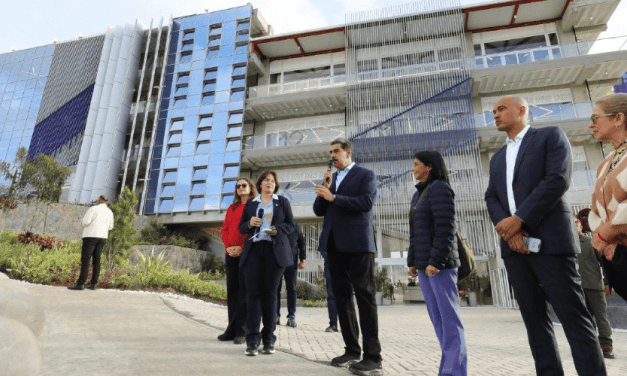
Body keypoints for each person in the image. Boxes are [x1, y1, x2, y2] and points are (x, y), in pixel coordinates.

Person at [484, 95, 606, 376]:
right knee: (535, 322)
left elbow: (557, 179)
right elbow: (491, 195)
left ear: (522, 110)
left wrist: (520, 220)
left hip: (551, 242)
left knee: (573, 317)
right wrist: (508, 227)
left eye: (501, 109)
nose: (495, 114)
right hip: (514, 249)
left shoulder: (550, 136)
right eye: (493, 111)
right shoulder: (498, 157)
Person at [313, 137, 382, 376]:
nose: (332, 155)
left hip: (358, 244)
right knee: (341, 298)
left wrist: (335, 198)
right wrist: (326, 188)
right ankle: (352, 350)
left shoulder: (365, 175)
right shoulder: (331, 179)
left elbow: (366, 202)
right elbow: (318, 210)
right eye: (330, 151)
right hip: (333, 245)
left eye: (336, 151)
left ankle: (373, 356)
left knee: (365, 297)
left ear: (348, 152)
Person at [407, 150, 467, 376]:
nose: (413, 168)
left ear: (429, 166)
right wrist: (413, 260)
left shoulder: (440, 189)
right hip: (425, 267)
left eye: (416, 164)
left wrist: (437, 261)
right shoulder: (419, 194)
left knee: (450, 322)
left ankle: (455, 372)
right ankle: (448, 370)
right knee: (439, 322)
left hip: (439, 267)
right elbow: (415, 233)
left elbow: (446, 228)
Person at [239, 171, 296, 356]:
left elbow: (291, 225)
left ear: (275, 184)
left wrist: (276, 229)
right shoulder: (251, 203)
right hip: (254, 251)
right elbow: (242, 227)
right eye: (266, 180)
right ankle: (252, 341)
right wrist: (249, 223)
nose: (270, 183)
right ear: (260, 183)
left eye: (273, 181)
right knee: (254, 295)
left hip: (274, 252)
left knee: (271, 295)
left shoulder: (283, 202)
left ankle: (269, 341)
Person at [587, 93, 627, 301]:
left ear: (618, 118)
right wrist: (608, 245)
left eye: (595, 118)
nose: (591, 125)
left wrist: (604, 234)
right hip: (617, 256)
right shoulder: (605, 163)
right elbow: (597, 208)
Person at [218, 178, 257, 345]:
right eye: (238, 186)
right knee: (232, 292)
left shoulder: (254, 206)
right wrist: (228, 247)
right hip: (230, 253)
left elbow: (254, 230)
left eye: (244, 185)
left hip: (246, 253)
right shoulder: (231, 207)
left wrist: (241, 247)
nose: (240, 188)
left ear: (250, 188)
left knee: (244, 293)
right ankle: (231, 329)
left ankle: (243, 330)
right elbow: (225, 228)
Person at [574, 215, 614, 359]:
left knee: (601, 317)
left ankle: (606, 347)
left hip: (594, 287)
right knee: (584, 320)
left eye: (576, 224)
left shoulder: (592, 243)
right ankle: (590, 347)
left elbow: (605, 263)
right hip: (576, 289)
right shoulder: (566, 244)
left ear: (581, 226)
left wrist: (608, 282)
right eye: (570, 224)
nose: (574, 227)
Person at [68, 195, 114, 291]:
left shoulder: (93, 209)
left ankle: (81, 283)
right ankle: (94, 284)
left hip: (90, 236)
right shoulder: (110, 212)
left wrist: (82, 223)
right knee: (97, 260)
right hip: (102, 237)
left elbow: (85, 222)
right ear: (106, 202)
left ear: (99, 201)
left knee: (86, 259)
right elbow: (110, 227)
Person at [276, 224, 306, 328]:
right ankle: (276, 315)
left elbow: (302, 243)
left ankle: (291, 315)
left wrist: (302, 259)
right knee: (276, 289)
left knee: (292, 288)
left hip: (291, 262)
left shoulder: (296, 227)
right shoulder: (276, 225)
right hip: (277, 262)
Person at [320, 247, 339, 332]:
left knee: (345, 295)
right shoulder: (327, 233)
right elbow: (322, 246)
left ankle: (348, 326)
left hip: (345, 263)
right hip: (330, 265)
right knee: (331, 295)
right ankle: (333, 324)